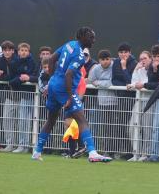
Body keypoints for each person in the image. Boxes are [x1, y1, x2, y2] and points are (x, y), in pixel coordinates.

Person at [31, 27, 112, 162]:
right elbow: (69, 74)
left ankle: (37, 152)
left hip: (54, 85)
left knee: (51, 120)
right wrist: (69, 96)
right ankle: (92, 152)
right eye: (91, 37)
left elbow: (51, 60)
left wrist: (52, 80)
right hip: (64, 88)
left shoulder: (69, 44)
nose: (94, 40)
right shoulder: (79, 55)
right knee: (82, 119)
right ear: (83, 37)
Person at [9, 43, 38, 154]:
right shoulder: (14, 62)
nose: (24, 52)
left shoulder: (32, 63)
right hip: (20, 96)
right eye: (22, 50)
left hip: (31, 96)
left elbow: (34, 76)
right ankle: (22, 145)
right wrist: (20, 79)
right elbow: (11, 79)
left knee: (30, 122)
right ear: (18, 51)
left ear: (29, 52)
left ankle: (27, 146)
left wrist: (28, 78)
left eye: (26, 50)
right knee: (22, 121)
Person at [88, 50, 116, 156]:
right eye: (102, 60)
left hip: (115, 102)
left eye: (107, 59)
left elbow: (111, 82)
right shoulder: (96, 68)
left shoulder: (114, 66)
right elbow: (90, 80)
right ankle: (107, 150)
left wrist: (98, 83)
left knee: (114, 127)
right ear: (99, 60)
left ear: (110, 59)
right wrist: (97, 83)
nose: (105, 62)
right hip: (102, 102)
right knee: (104, 127)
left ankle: (114, 151)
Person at [127, 50, 152, 162]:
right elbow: (134, 83)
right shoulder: (139, 69)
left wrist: (138, 85)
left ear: (150, 59)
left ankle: (145, 154)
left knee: (147, 128)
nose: (142, 61)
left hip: (149, 102)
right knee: (132, 127)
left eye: (145, 58)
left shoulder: (153, 69)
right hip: (138, 101)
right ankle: (135, 153)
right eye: (141, 59)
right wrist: (136, 70)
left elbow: (148, 83)